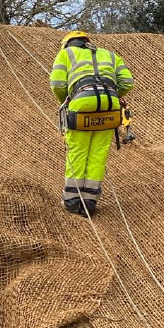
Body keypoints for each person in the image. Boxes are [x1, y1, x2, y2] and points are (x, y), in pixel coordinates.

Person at [50, 30, 134, 216]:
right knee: (98, 153)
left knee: (78, 151)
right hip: (110, 105)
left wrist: (66, 99)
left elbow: (57, 84)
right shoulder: (109, 55)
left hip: (82, 102)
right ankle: (89, 202)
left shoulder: (65, 54)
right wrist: (114, 94)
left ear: (67, 44)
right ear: (87, 42)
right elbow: (128, 82)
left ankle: (72, 201)